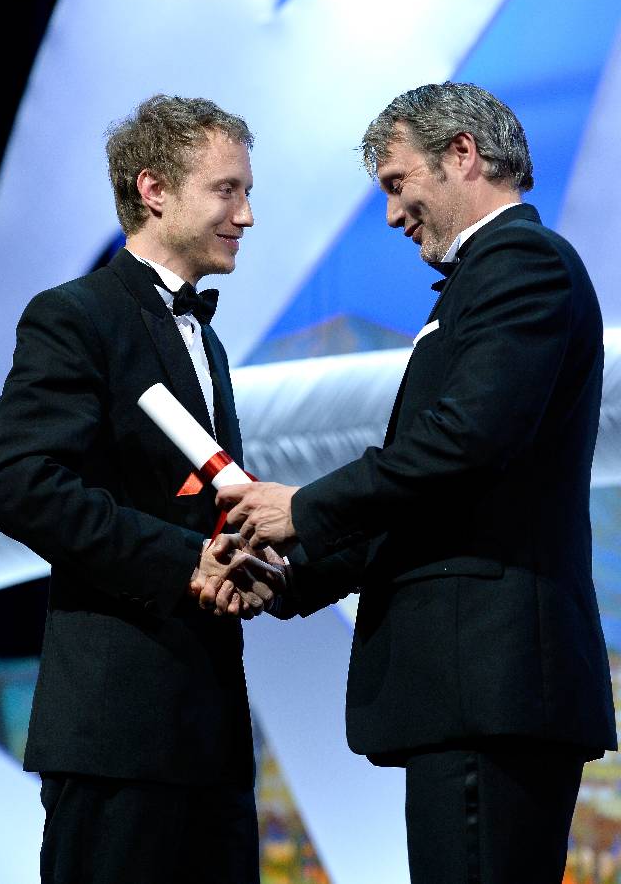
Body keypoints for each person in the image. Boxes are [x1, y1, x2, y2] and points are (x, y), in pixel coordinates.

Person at [214, 82, 618, 884]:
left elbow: (465, 445)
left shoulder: (524, 266)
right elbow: (435, 499)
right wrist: (289, 578)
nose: (394, 214)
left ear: (462, 153)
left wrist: (303, 506)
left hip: (492, 687)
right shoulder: (483, 283)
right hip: (475, 692)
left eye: (399, 184)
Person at [0, 94, 281, 884]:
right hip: (117, 730)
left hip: (209, 734)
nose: (246, 215)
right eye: (228, 190)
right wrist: (184, 562)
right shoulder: (76, 316)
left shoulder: (204, 341)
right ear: (153, 190)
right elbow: (14, 479)